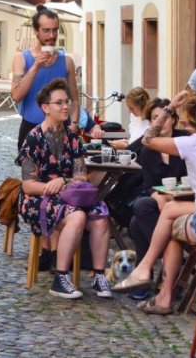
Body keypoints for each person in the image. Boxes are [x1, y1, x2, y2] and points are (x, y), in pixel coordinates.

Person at [112, 91, 196, 314]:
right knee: (168, 210)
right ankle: (155, 283)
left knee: (169, 228)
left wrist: (170, 108)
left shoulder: (190, 143)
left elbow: (147, 140)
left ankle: (152, 279)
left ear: (187, 122)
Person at [16, 78, 113, 300]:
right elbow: (28, 185)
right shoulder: (33, 140)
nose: (65, 106)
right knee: (77, 217)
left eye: (67, 102)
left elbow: (79, 175)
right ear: (45, 108)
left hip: (68, 196)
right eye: (59, 103)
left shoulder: (73, 140)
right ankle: (60, 278)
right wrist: (53, 185)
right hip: (37, 199)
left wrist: (64, 182)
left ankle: (99, 276)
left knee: (101, 213)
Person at [123, 99, 190, 299]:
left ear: (174, 120)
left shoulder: (184, 141)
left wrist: (173, 198)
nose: (159, 122)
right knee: (142, 206)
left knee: (137, 222)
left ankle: (148, 277)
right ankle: (170, 274)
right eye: (154, 118)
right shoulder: (148, 149)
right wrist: (157, 196)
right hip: (162, 201)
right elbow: (148, 184)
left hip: (187, 200)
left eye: (165, 117)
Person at [11, 7, 96, 152]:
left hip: (61, 130)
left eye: (55, 30)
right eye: (46, 30)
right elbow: (16, 96)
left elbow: (74, 99)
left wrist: (74, 124)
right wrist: (36, 66)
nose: (52, 35)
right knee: (31, 174)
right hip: (31, 128)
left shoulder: (66, 61)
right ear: (36, 31)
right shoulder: (22, 59)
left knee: (63, 175)